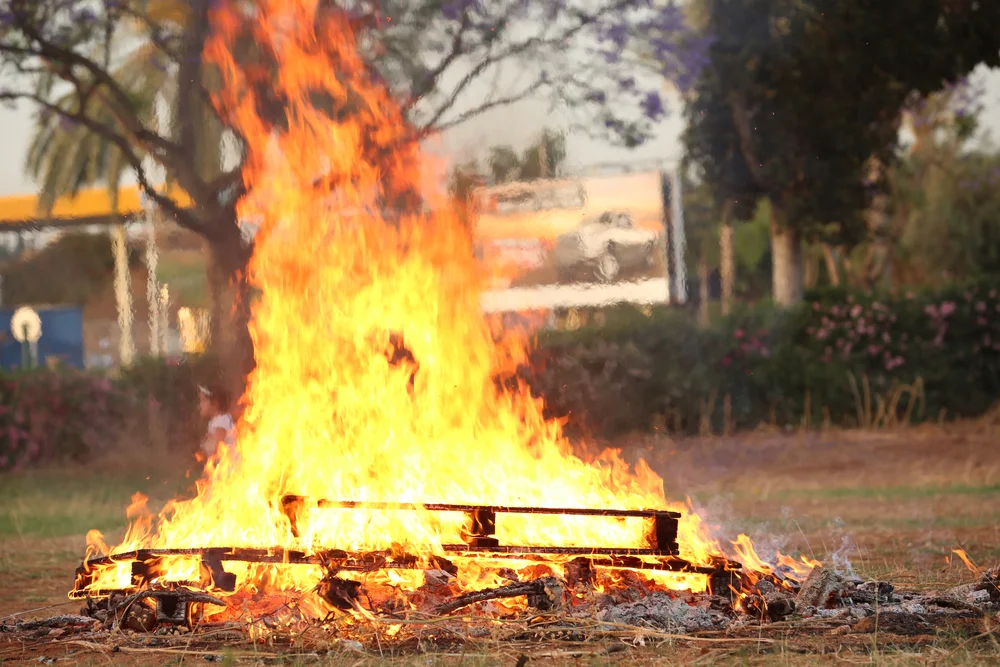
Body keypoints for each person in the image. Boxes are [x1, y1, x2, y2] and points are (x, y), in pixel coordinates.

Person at [198, 384, 237, 462]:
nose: (200, 405)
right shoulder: (216, 421)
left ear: (215, 403)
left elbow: (219, 447)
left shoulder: (221, 422)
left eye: (203, 401)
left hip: (229, 469)